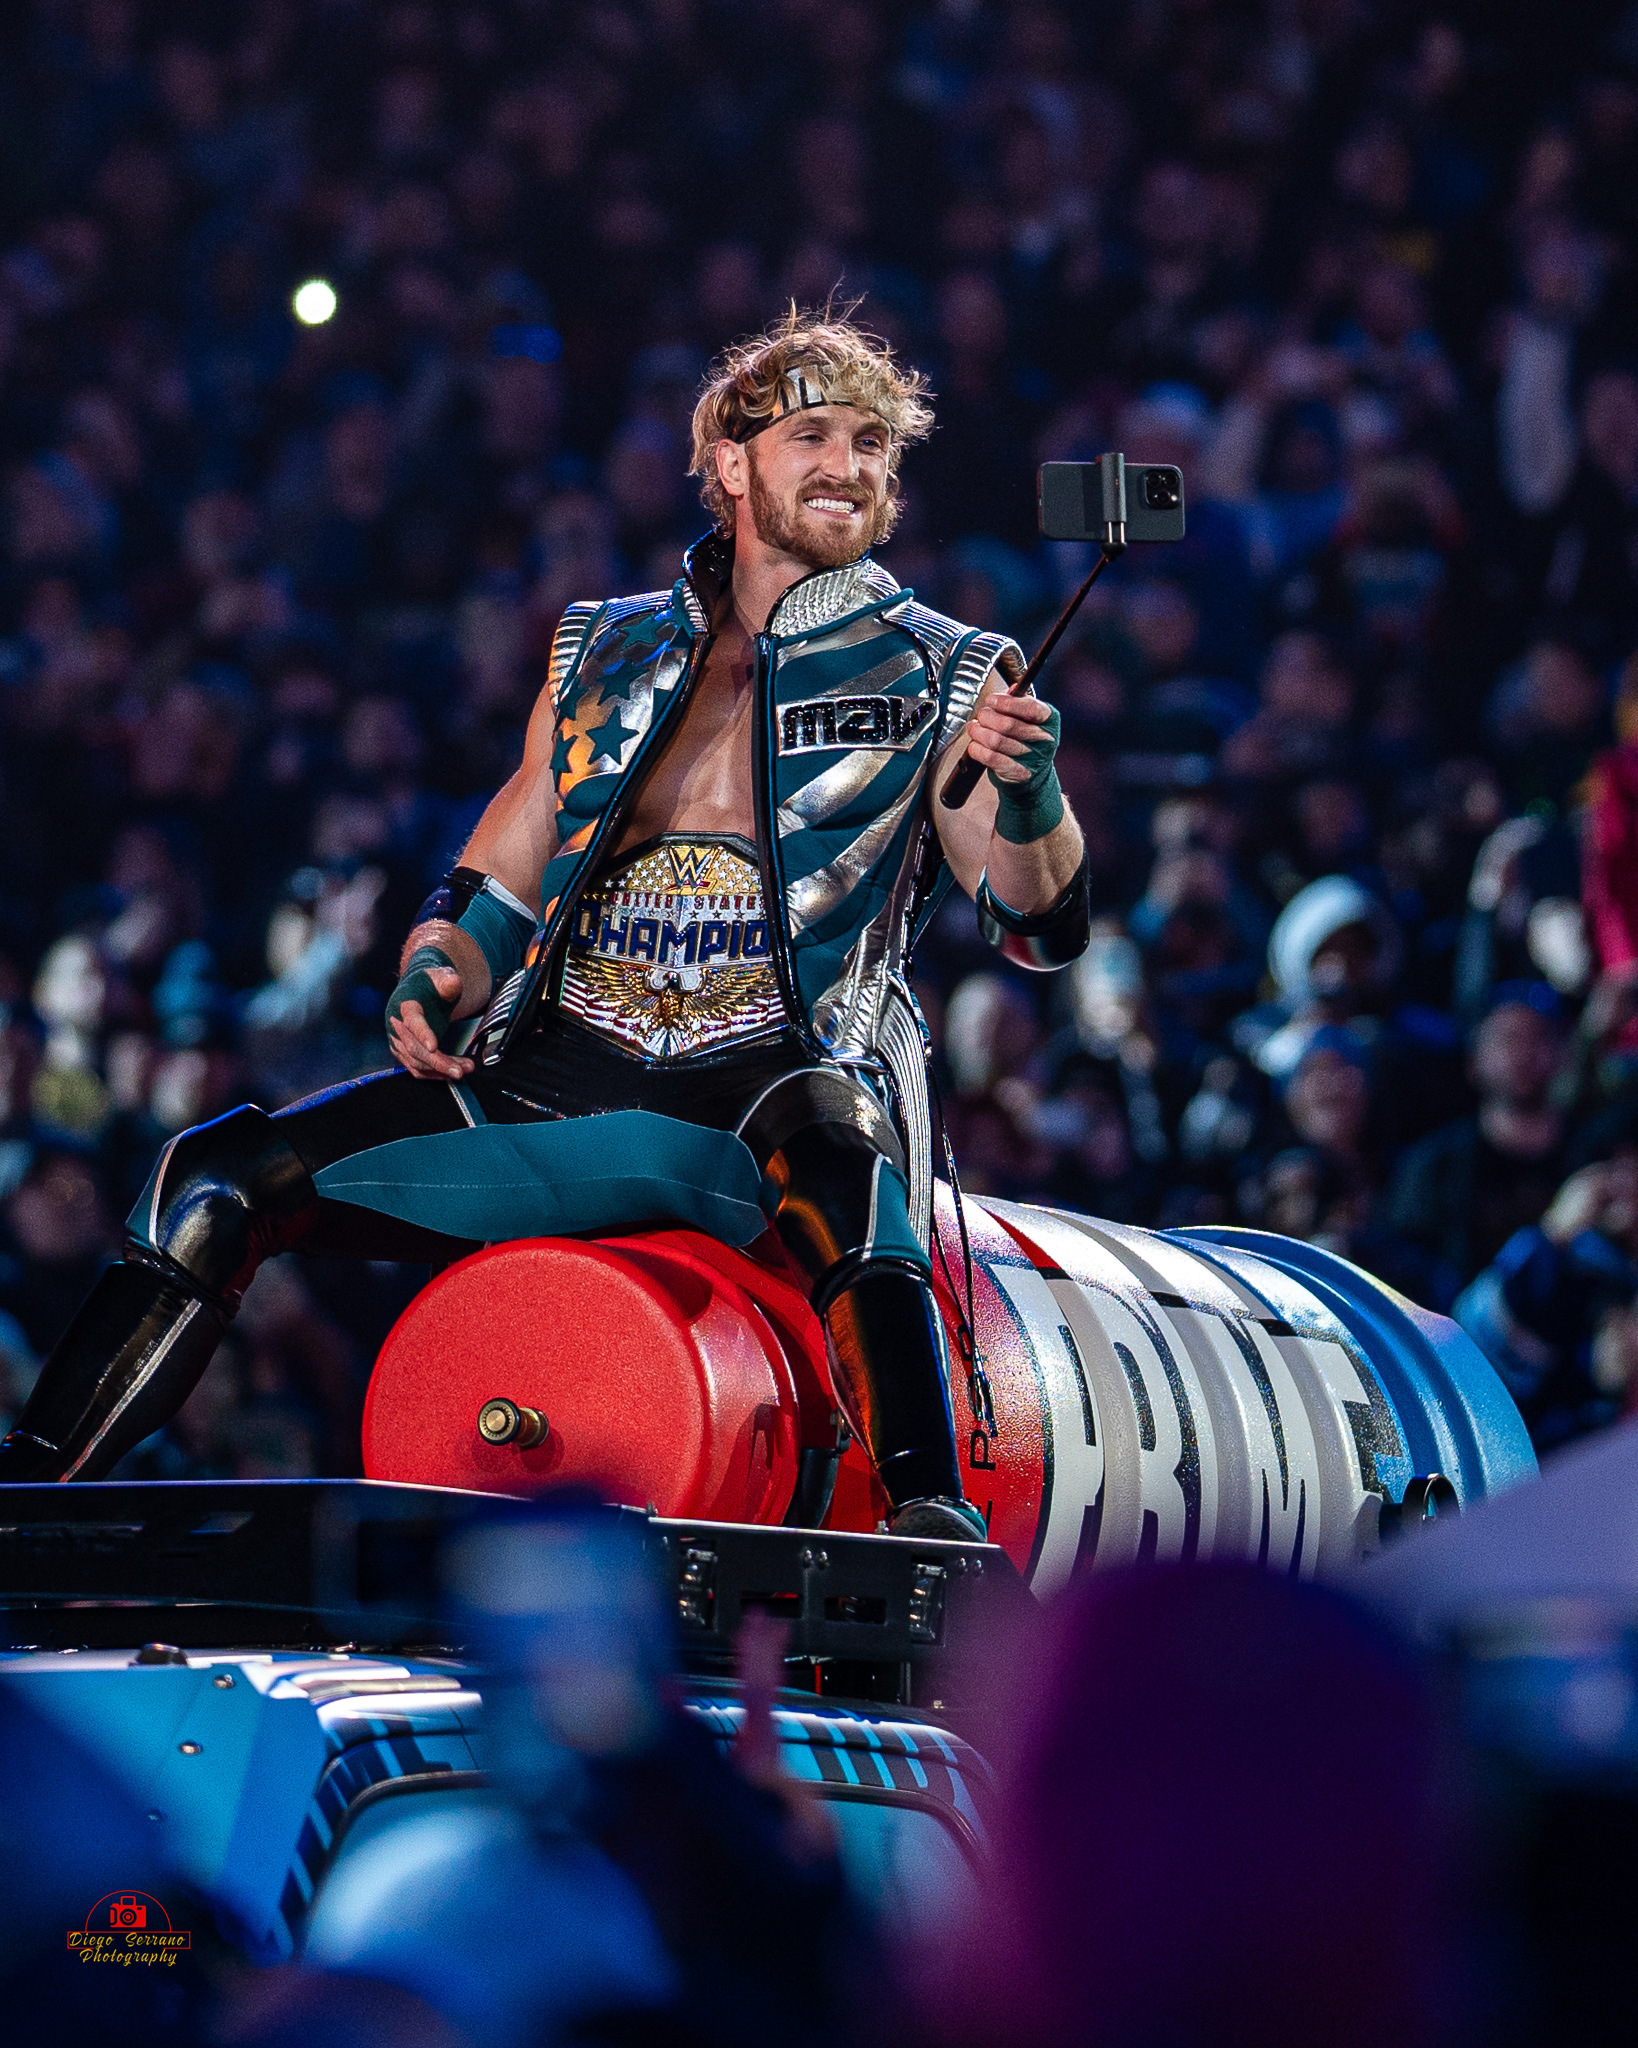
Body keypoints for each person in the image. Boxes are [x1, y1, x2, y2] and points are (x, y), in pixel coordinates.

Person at [0, 311, 1091, 1541]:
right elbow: (497, 877)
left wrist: (1030, 792)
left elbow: (1039, 925)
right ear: (732, 463)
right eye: (815, 436)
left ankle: (930, 1520)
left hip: (770, 1099)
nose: (850, 465)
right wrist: (436, 970)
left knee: (846, 1165)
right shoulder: (603, 648)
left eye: (873, 444)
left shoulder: (949, 668)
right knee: (214, 1179)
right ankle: (26, 1501)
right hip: (555, 1085)